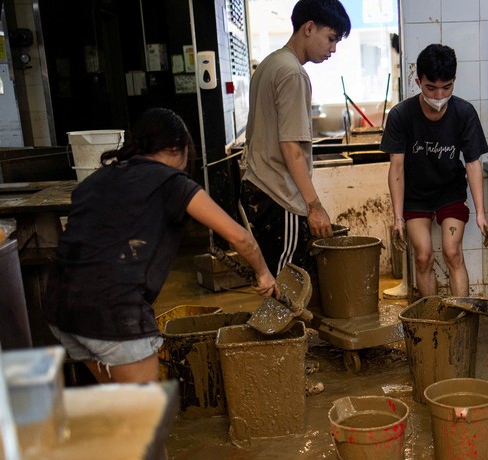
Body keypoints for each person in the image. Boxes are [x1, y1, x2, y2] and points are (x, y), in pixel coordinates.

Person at [44, 107, 278, 384]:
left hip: (61, 310)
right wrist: (263, 272)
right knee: (146, 416)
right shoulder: (171, 182)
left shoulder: (98, 179)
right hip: (114, 313)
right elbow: (240, 237)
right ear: (176, 148)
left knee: (120, 405)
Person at [239, 0, 351, 284]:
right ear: (309, 28)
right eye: (331, 39)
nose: (333, 49)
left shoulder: (269, 64)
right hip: (279, 197)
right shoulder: (293, 74)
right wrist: (314, 206)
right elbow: (291, 148)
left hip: (258, 189)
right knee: (286, 288)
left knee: (274, 283)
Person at [380, 43, 488, 297]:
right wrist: (398, 218)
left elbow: (473, 164)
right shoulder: (401, 115)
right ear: (418, 81)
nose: (439, 96)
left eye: (446, 88)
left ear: (454, 81)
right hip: (416, 195)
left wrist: (481, 213)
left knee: (453, 252)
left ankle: (462, 317)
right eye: (431, 88)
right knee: (422, 256)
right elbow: (396, 168)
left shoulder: (464, 113)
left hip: (450, 192)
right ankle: (432, 319)